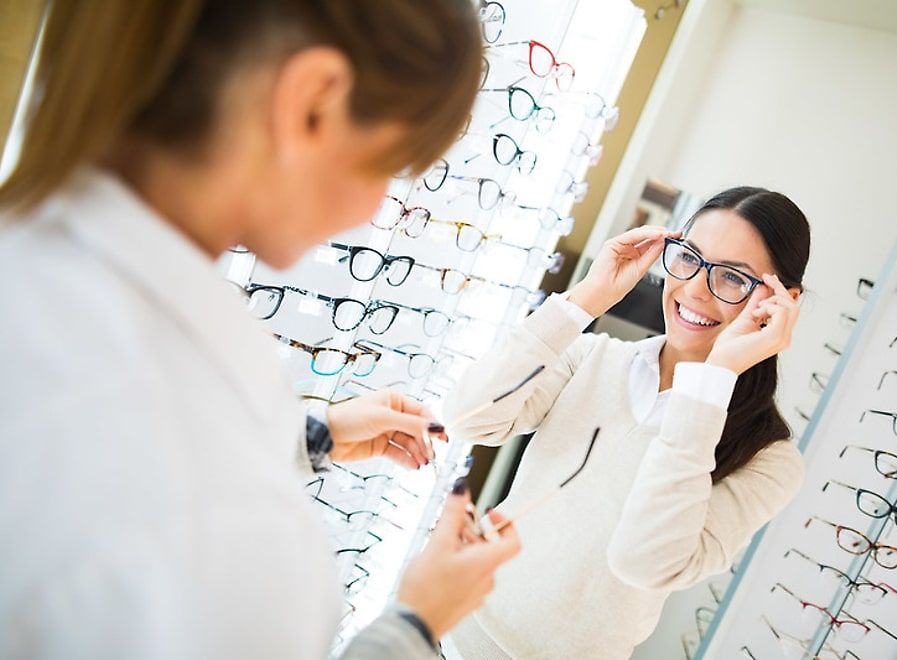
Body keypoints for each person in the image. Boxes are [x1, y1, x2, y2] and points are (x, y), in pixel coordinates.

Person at [0, 1, 519, 658]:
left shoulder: (36, 275)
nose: (378, 208)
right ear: (314, 104)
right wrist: (414, 625)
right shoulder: (216, 515)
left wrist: (312, 436)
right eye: (391, 165)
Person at [444, 187, 811, 658]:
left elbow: (642, 561)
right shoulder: (594, 358)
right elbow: (469, 417)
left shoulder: (771, 462)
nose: (696, 289)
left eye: (734, 278)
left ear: (783, 301)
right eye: (690, 259)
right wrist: (585, 300)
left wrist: (713, 380)